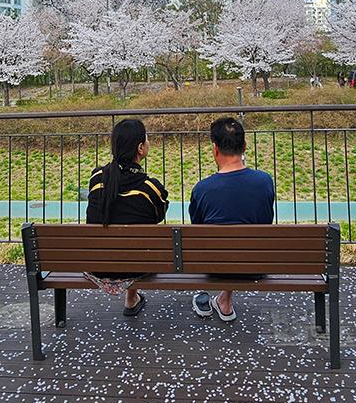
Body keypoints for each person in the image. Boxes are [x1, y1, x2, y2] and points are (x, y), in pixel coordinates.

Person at [189, 117, 276, 322]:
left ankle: (223, 300)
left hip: (214, 268)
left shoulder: (202, 189)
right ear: (245, 145)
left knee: (222, 246)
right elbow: (265, 220)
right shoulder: (264, 182)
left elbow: (198, 230)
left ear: (214, 149)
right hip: (255, 266)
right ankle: (224, 301)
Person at [86, 119, 168, 316]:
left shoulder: (97, 178)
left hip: (99, 265)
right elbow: (158, 216)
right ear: (140, 148)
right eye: (147, 139)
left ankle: (132, 298)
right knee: (135, 241)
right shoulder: (151, 188)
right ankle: (131, 297)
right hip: (135, 265)